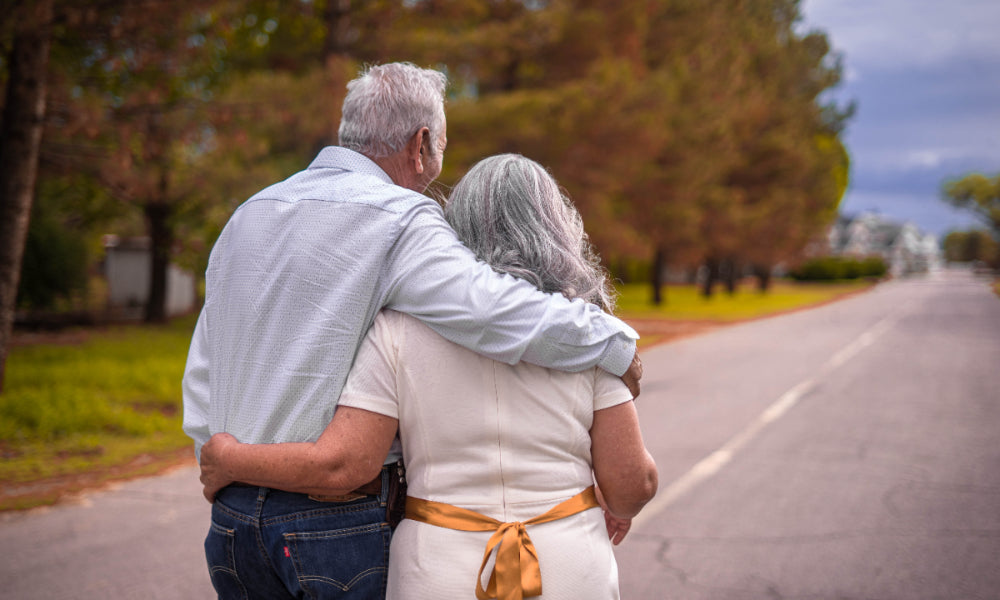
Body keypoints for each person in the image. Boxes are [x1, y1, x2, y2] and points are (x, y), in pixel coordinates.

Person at [182, 63, 642, 600]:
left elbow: (206, 362)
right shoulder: (402, 219)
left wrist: (215, 461)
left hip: (234, 523)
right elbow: (494, 311)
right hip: (334, 525)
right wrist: (613, 342)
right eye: (441, 148)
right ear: (421, 144)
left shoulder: (249, 214)